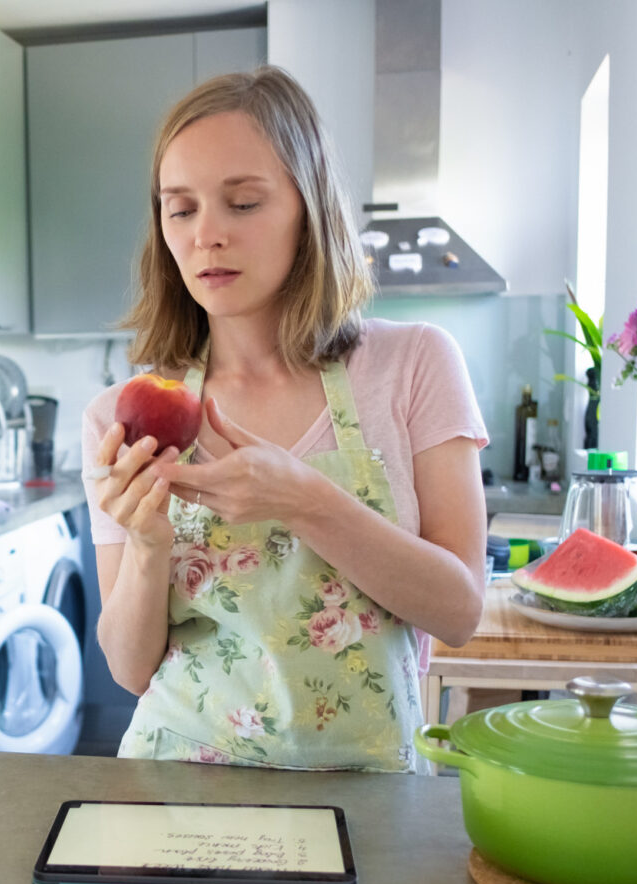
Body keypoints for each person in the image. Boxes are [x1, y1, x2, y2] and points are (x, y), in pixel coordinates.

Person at [80, 66, 489, 772]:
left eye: (242, 203)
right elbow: (128, 669)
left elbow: (458, 612)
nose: (207, 235)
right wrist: (147, 544)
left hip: (369, 794)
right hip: (178, 782)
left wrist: (305, 500)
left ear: (310, 210)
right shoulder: (118, 416)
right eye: (180, 209)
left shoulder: (415, 364)